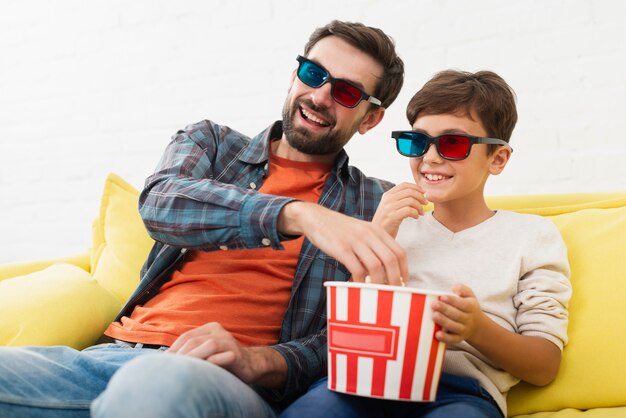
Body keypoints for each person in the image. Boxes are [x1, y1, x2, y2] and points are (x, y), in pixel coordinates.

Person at [0, 20, 410, 418]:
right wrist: (298, 215)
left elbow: (353, 339)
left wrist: (260, 361)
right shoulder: (211, 144)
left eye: (346, 92)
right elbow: (161, 205)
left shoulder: (376, 203)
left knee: (154, 389)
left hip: (224, 382)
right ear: (294, 75)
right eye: (313, 73)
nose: (320, 96)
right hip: (107, 357)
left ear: (370, 119)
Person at [279, 70, 572, 418]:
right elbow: (347, 333)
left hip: (462, 395)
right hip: (365, 384)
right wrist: (379, 234)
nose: (430, 158)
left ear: (497, 158)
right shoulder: (392, 223)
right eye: (417, 142)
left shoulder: (532, 236)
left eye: (453, 144)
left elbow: (544, 366)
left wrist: (476, 328)